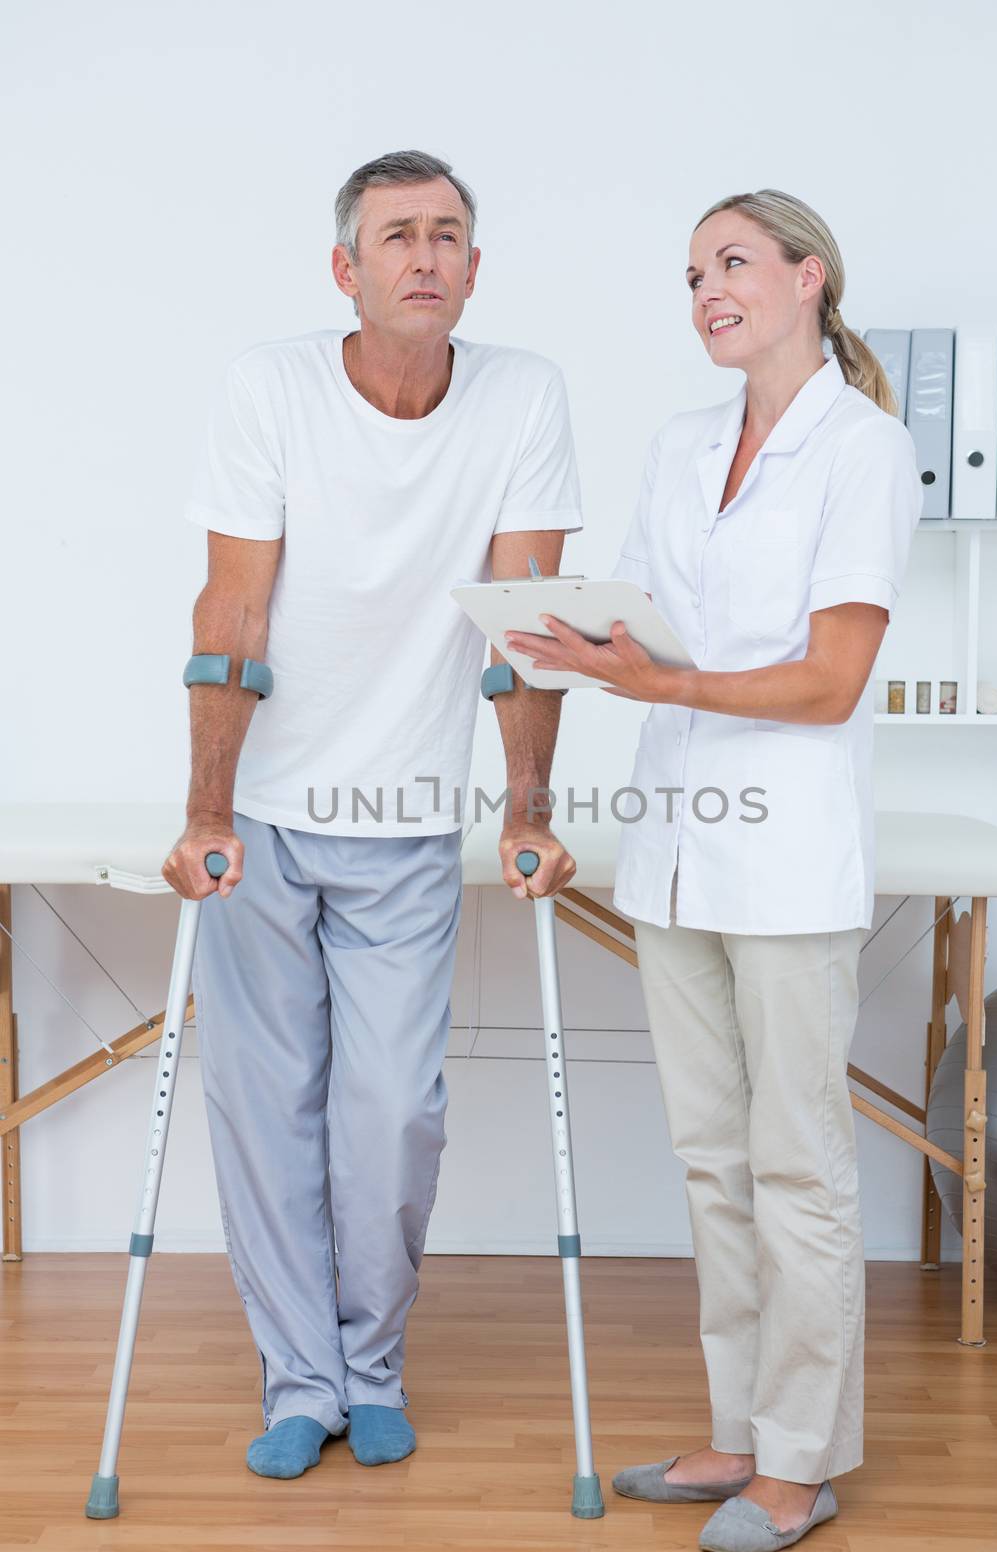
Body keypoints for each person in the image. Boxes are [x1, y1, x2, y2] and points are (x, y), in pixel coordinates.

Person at [504, 188, 923, 1552]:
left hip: (790, 860)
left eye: (734, 264)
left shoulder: (863, 451)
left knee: (797, 1162)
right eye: (693, 274)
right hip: (674, 851)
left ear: (811, 278)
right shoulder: (686, 445)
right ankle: (738, 1431)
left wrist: (663, 674)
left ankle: (802, 1463)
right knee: (710, 1161)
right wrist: (553, 632)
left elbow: (832, 677)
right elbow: (648, 621)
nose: (708, 291)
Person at [163, 149, 580, 1482]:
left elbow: (528, 630)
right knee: (267, 1105)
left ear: (473, 265)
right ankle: (300, 1383)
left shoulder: (523, 396)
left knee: (392, 1111)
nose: (425, 255)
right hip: (270, 820)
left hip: (404, 821)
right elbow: (231, 613)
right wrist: (206, 808)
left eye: (449, 233)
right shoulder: (270, 388)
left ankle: (371, 1363)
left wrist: (529, 803)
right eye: (397, 235)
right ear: (347, 268)